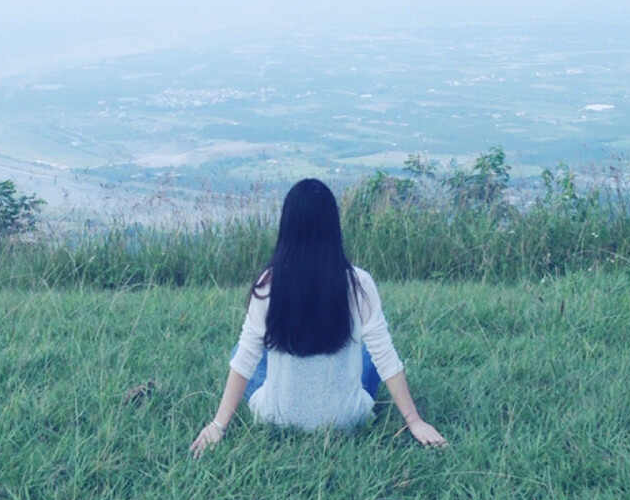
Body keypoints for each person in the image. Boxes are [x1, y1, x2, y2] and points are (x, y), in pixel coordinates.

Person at [190, 178, 446, 457]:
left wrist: (218, 425)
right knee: (372, 354)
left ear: (286, 228)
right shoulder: (358, 283)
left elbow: (246, 359)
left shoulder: (268, 284)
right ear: (333, 228)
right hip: (347, 419)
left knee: (242, 349)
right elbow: (386, 358)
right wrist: (414, 421)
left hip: (277, 415)